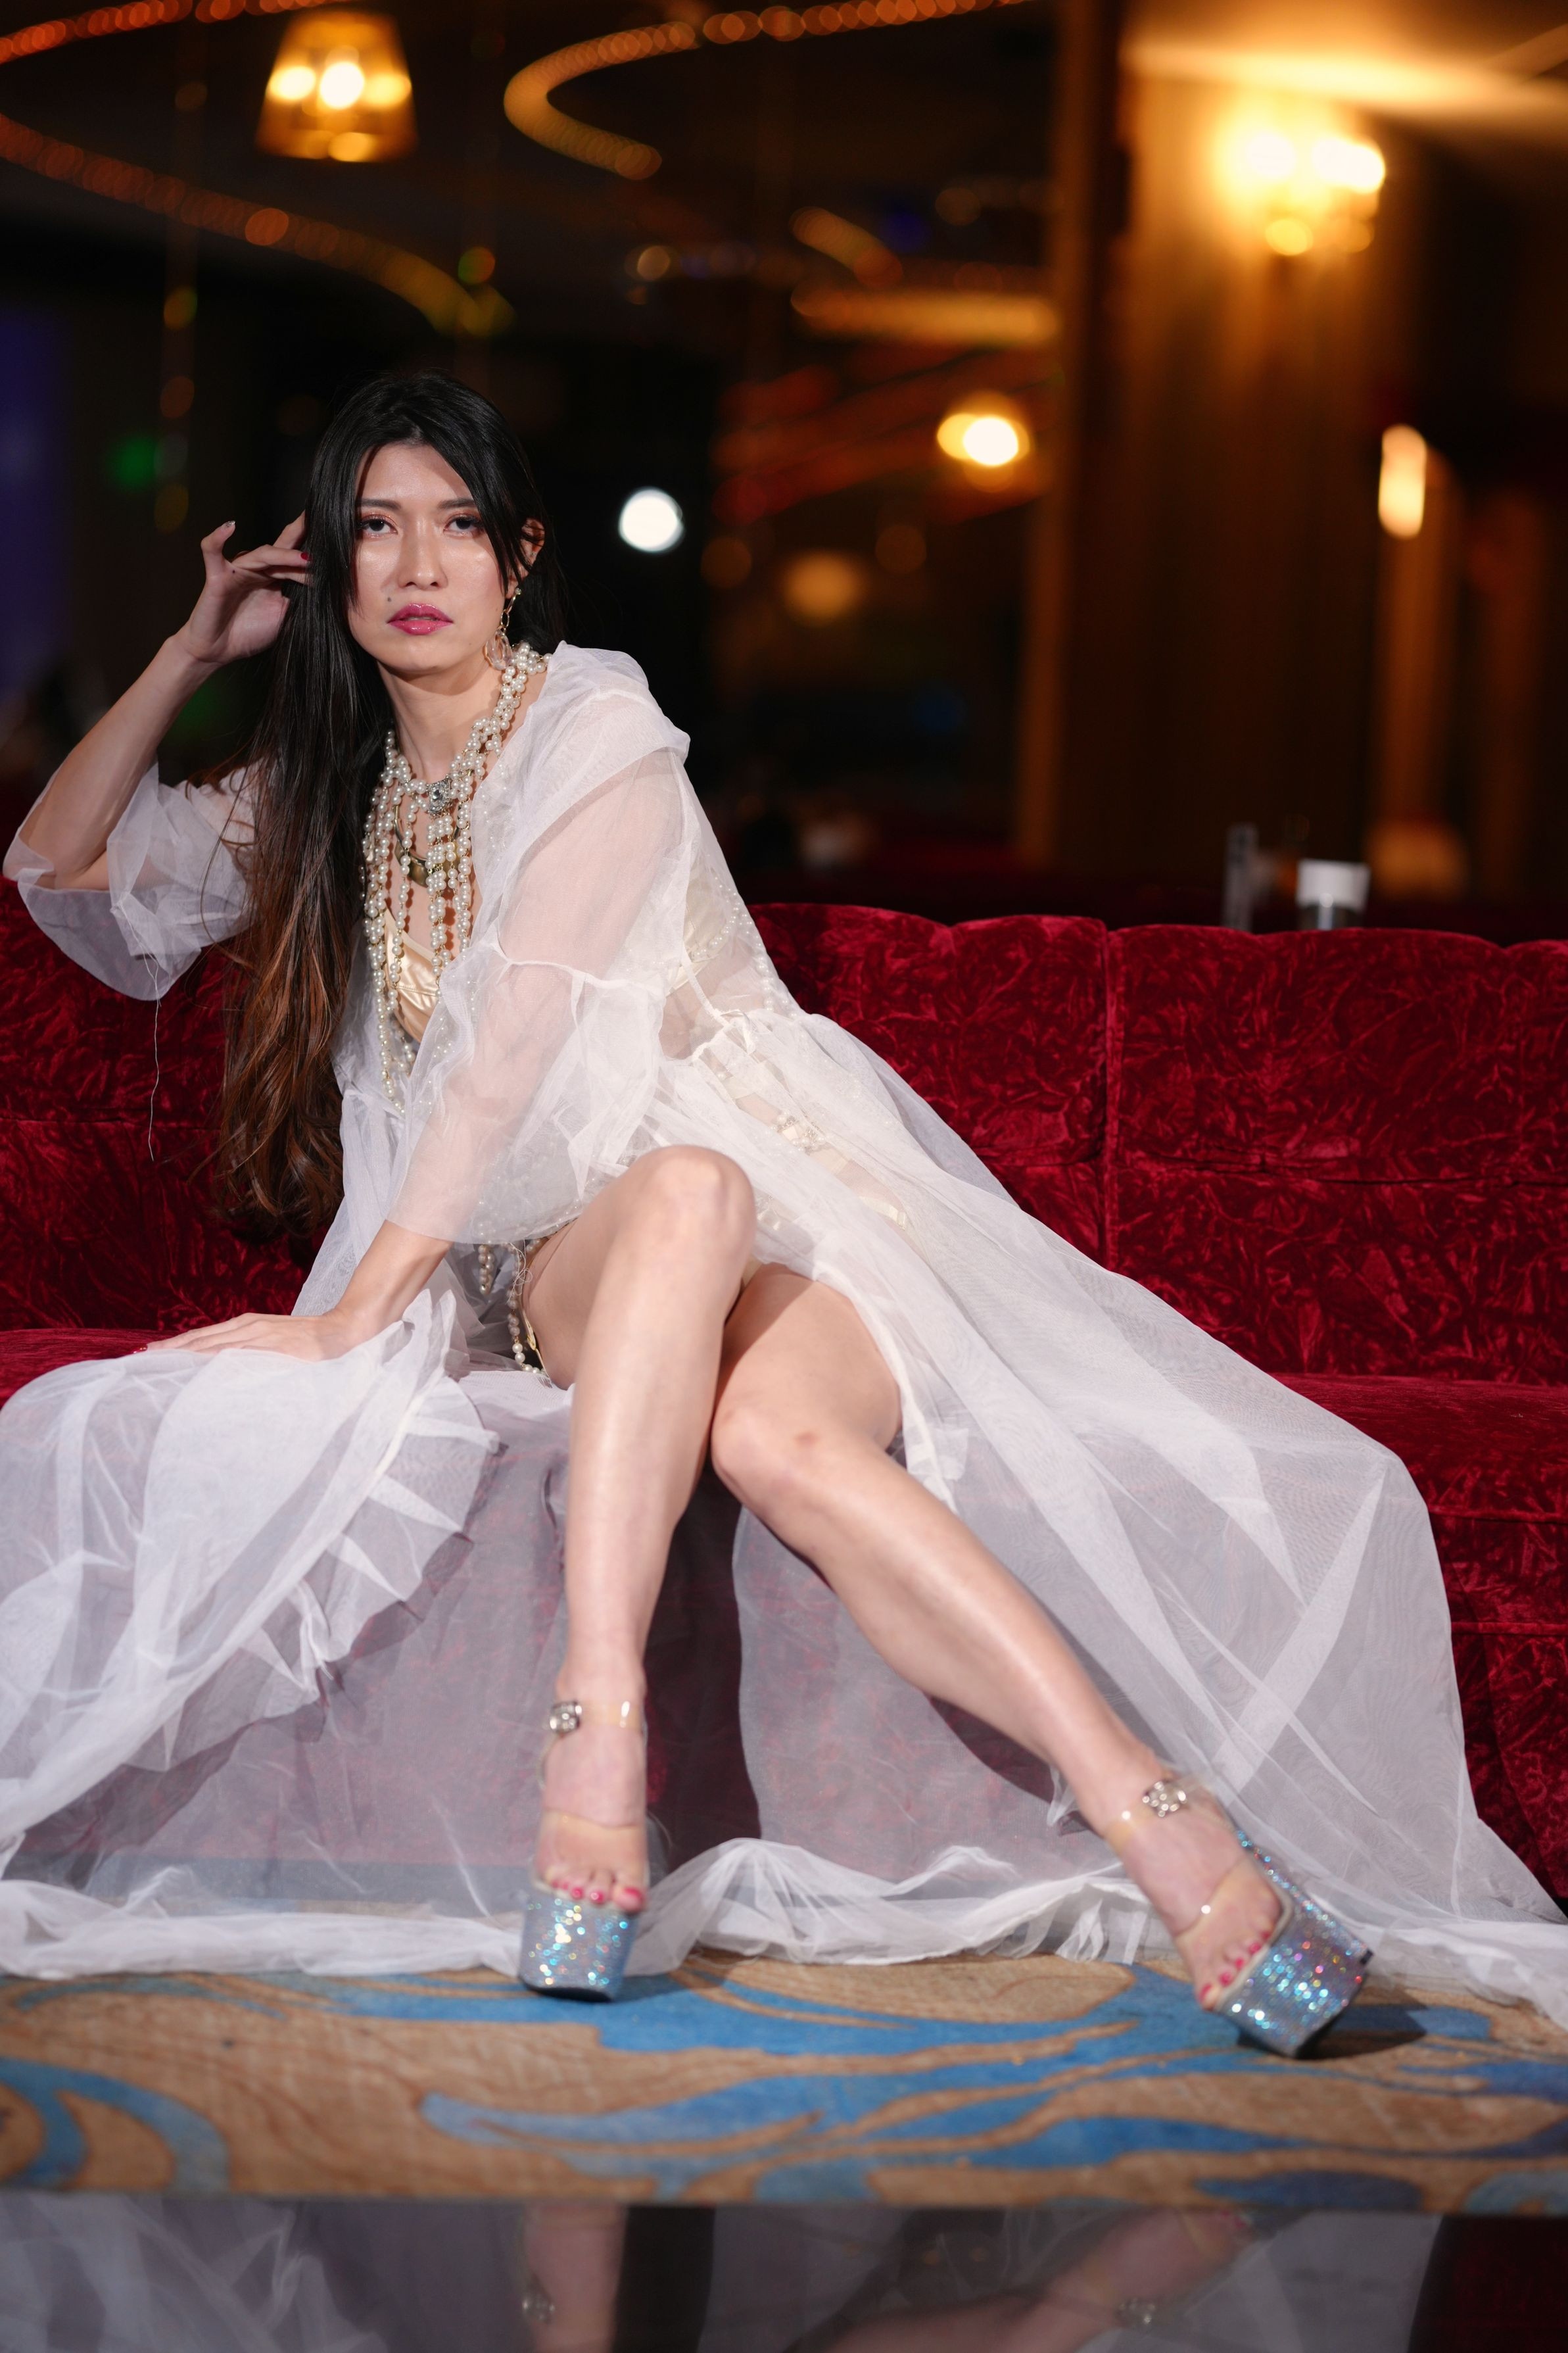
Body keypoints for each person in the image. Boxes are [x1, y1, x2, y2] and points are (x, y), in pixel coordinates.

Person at [3, 376, 1564, 2047]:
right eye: (377, 527)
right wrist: (186, 654)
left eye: (457, 525)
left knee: (773, 1415)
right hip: (552, 1256)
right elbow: (55, 868)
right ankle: (612, 1734)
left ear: (519, 559)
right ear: (333, 563)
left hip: (788, 1209)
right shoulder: (333, 787)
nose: (418, 565)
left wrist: (347, 1319)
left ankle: (1160, 1836)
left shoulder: (594, 721)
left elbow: (517, 1047)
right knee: (689, 1228)